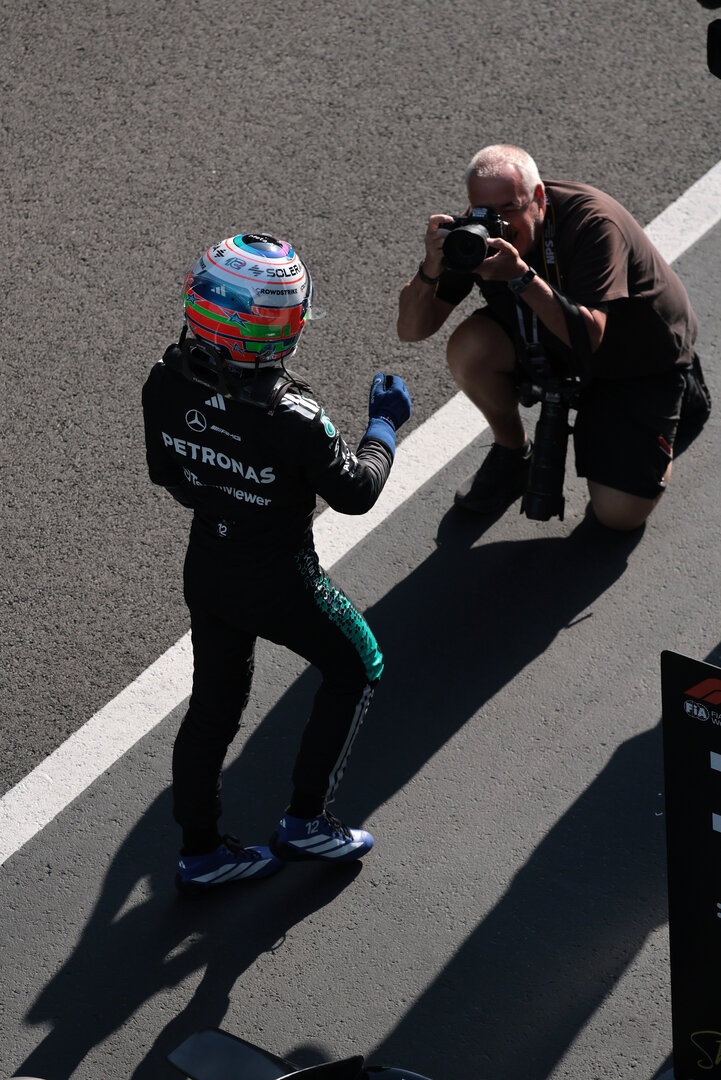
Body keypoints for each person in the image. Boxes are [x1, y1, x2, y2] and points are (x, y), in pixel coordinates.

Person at [142, 231, 411, 892]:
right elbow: (355, 493)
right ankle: (306, 822)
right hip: (283, 579)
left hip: (208, 567)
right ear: (280, 326)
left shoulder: (163, 379)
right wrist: (383, 425)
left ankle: (201, 854)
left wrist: (225, 491)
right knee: (358, 666)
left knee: (212, 709)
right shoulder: (297, 415)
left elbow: (168, 476)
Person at [397, 144, 710, 530]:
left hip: (633, 359)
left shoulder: (593, 224)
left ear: (540, 198)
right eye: (484, 209)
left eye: (510, 207)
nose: (499, 223)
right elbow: (411, 330)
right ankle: (513, 453)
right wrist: (431, 268)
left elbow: (590, 337)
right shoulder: (475, 236)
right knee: (470, 347)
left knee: (617, 515)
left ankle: (684, 394)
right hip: (550, 337)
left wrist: (521, 277)